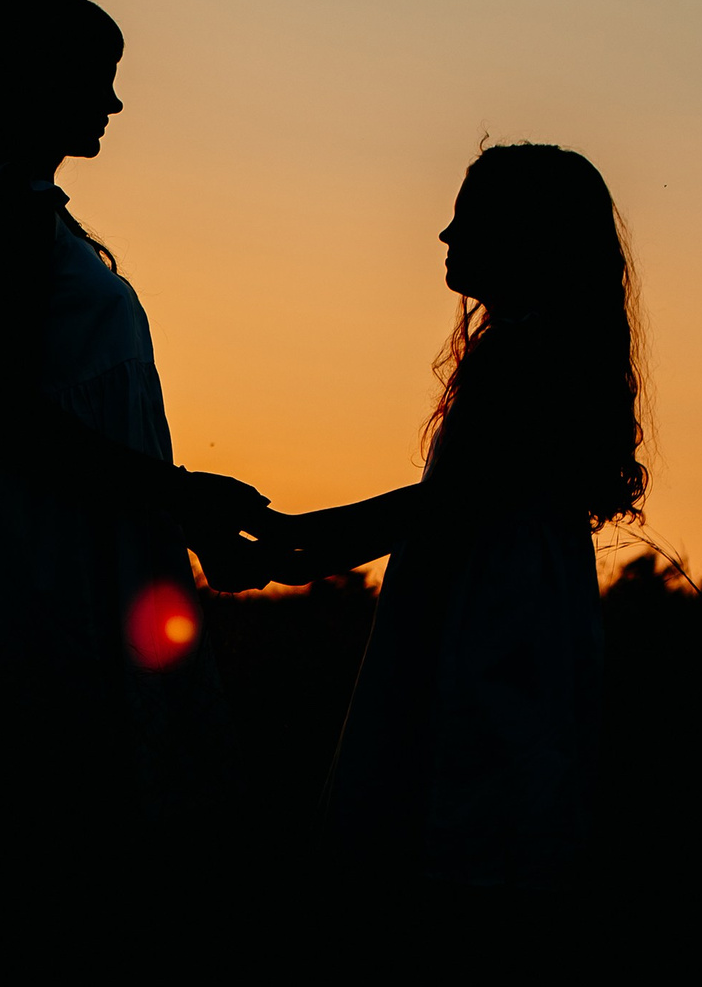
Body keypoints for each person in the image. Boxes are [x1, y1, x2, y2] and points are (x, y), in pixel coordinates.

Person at [0, 0, 278, 918]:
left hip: (65, 529)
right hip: (38, 545)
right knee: (51, 814)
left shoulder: (24, 210)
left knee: (67, 810)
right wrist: (181, 494)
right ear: (39, 83)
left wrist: (177, 512)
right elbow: (6, 415)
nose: (112, 105)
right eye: (98, 81)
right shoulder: (4, 213)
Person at [268, 143, 646, 901]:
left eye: (467, 219)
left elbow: (443, 506)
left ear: (526, 236)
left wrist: (296, 544)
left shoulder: (523, 357)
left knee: (466, 824)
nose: (444, 235)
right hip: (511, 613)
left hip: (492, 623)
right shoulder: (540, 350)